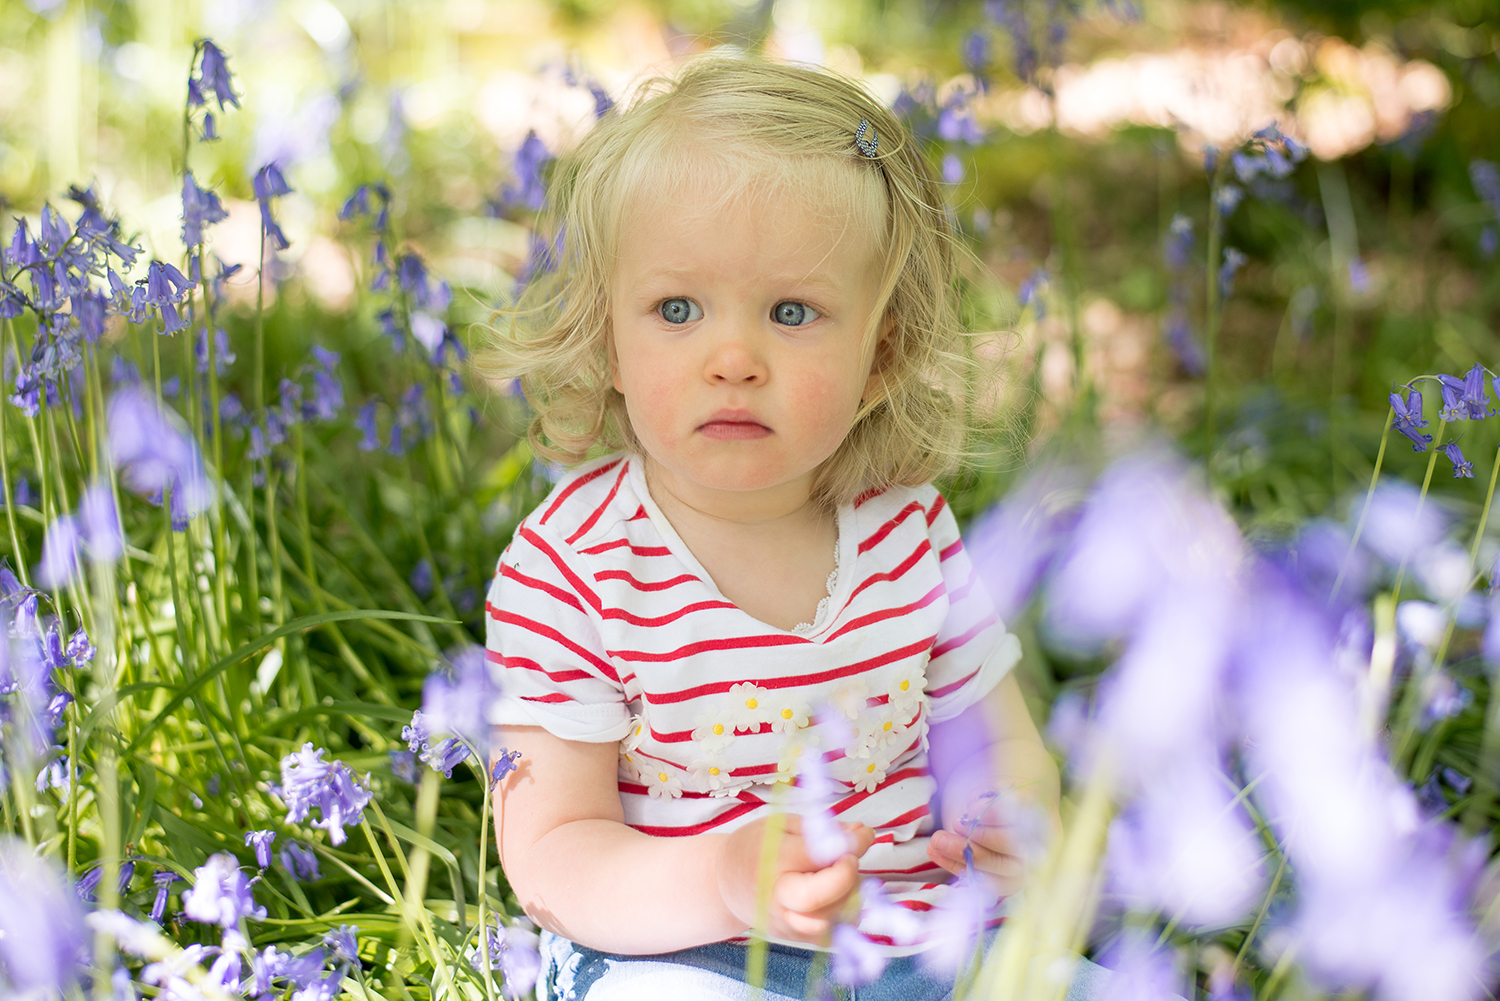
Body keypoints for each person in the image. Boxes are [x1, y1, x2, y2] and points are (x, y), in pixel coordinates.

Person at [478, 55, 1093, 1001]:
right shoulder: (570, 570)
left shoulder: (907, 533)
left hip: (922, 935)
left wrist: (1011, 814)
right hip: (684, 951)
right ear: (609, 337)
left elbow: (1001, 741)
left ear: (879, 356)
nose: (734, 358)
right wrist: (723, 882)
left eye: (793, 312)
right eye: (677, 308)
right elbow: (553, 855)